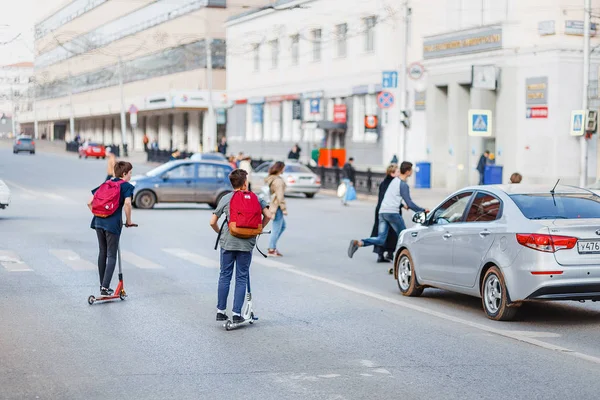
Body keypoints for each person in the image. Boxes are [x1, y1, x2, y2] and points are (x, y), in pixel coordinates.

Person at [210, 169, 271, 323]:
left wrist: (222, 233)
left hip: (228, 243)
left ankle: (221, 311)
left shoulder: (227, 198)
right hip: (246, 244)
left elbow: (212, 222)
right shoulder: (256, 198)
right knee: (241, 278)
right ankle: (237, 314)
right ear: (245, 182)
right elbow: (269, 215)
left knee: (225, 276)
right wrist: (258, 230)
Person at [348, 162, 428, 258]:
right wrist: (423, 210)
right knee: (404, 236)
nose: (412, 172)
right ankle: (408, 259)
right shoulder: (403, 185)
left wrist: (402, 205)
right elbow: (410, 203)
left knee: (381, 239)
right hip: (392, 213)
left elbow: (392, 196)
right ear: (407, 172)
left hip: (382, 212)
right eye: (411, 170)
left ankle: (359, 243)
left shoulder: (394, 181)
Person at [88, 161, 136, 296]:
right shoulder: (126, 187)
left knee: (102, 252)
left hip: (98, 221)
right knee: (111, 255)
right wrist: (129, 221)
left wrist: (99, 215)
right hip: (112, 224)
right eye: (130, 173)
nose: (131, 175)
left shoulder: (106, 183)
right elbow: (127, 204)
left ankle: (102, 285)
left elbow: (89, 202)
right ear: (124, 173)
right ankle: (105, 287)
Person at [371, 164, 400, 263]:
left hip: (380, 210)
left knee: (381, 232)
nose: (399, 173)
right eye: (397, 172)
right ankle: (390, 253)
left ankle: (380, 254)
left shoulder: (384, 183)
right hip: (391, 210)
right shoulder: (395, 184)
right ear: (392, 173)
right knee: (392, 232)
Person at [265, 161, 288, 257]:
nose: (284, 170)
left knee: (282, 226)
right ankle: (271, 248)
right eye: (283, 168)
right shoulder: (278, 181)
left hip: (273, 204)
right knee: (276, 228)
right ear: (280, 168)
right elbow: (280, 196)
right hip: (276, 206)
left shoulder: (272, 178)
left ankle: (272, 246)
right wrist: (284, 208)